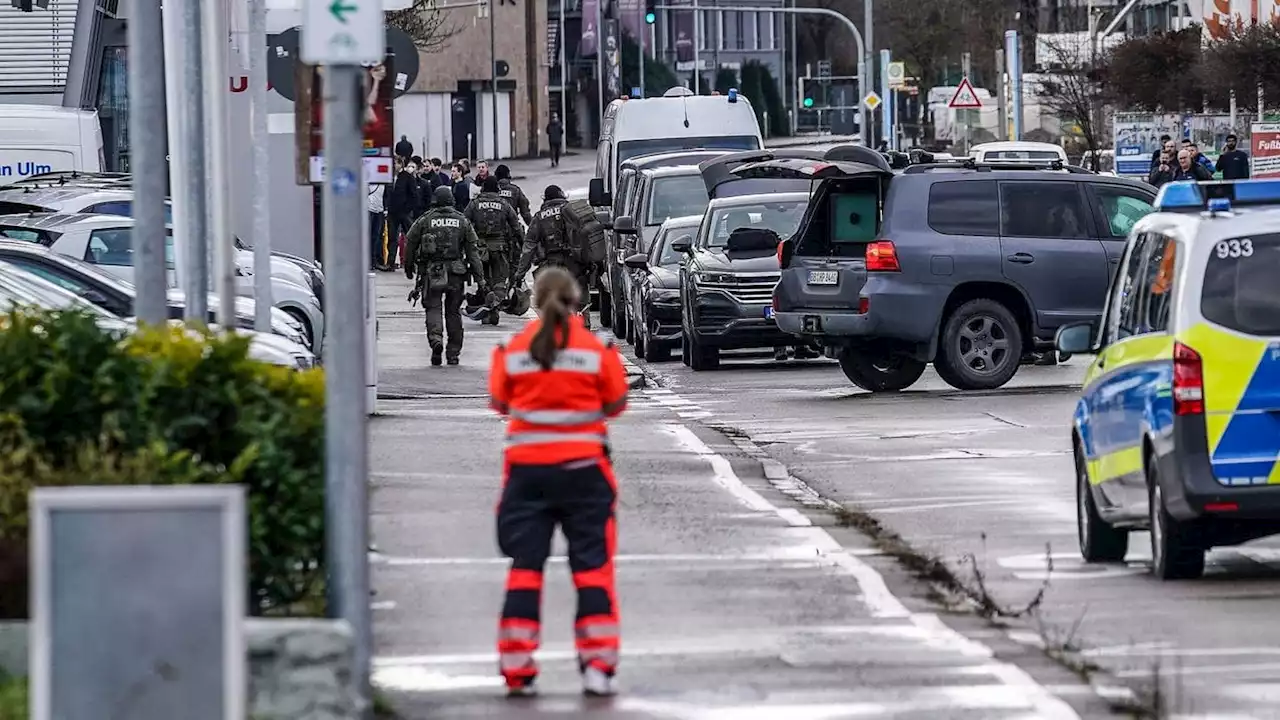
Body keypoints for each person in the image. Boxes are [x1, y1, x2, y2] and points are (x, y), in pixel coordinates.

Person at [486, 265, 629, 698]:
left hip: (527, 475)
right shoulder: (595, 348)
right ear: (576, 302)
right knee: (592, 572)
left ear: (534, 301)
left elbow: (498, 401)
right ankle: (599, 667)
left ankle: (517, 668)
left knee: (525, 571)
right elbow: (616, 402)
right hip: (585, 474)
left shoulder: (513, 349)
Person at [406, 186, 487, 366]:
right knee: (453, 312)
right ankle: (453, 353)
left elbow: (410, 243)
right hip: (456, 274)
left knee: (433, 308)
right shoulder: (463, 221)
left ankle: (436, 340)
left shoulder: (425, 220)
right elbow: (473, 253)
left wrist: (409, 266)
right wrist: (480, 279)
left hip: (433, 272)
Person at [512, 185, 591, 327]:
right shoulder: (573, 210)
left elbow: (529, 247)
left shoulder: (539, 217)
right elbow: (589, 235)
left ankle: (555, 327)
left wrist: (519, 274)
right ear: (561, 195)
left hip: (551, 266)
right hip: (575, 263)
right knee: (581, 293)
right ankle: (584, 325)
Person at [465, 176, 524, 325]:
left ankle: (486, 309)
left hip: (480, 249)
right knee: (499, 280)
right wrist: (522, 244)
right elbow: (516, 227)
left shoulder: (475, 204)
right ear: (497, 189)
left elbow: (464, 223)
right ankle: (495, 309)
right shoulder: (504, 204)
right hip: (500, 247)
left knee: (483, 279)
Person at [385, 157, 422, 270]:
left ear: (401, 164)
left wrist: (408, 209)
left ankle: (414, 262)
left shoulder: (407, 177)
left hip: (404, 212)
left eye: (395, 164)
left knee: (410, 236)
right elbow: (387, 194)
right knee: (392, 238)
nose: (393, 166)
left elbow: (414, 195)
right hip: (392, 213)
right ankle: (390, 263)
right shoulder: (389, 176)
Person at [367, 180, 386, 270]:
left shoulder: (382, 181)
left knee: (376, 237)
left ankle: (373, 261)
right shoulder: (367, 181)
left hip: (379, 210)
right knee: (369, 237)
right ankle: (368, 261)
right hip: (369, 210)